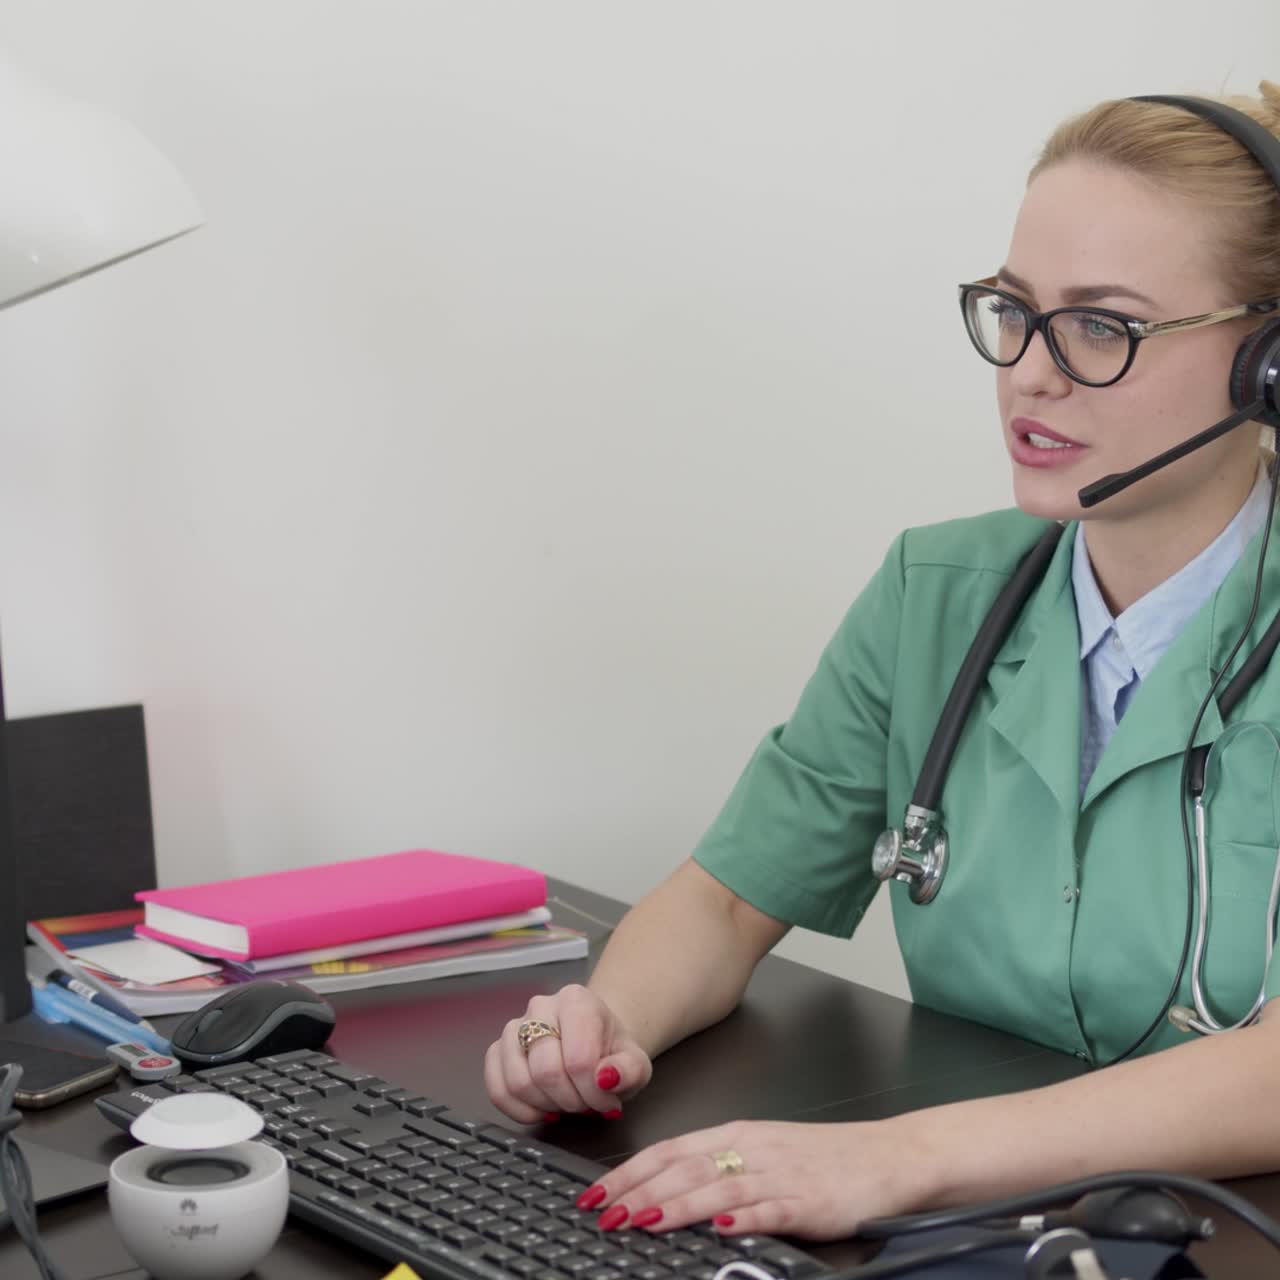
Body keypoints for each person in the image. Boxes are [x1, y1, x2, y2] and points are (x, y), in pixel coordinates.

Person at [484, 82, 1280, 1241]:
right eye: (1013, 310)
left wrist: (901, 1158)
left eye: (1100, 327)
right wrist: (601, 1026)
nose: (1030, 373)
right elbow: (726, 897)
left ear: (1264, 362)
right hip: (1000, 1231)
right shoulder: (934, 593)